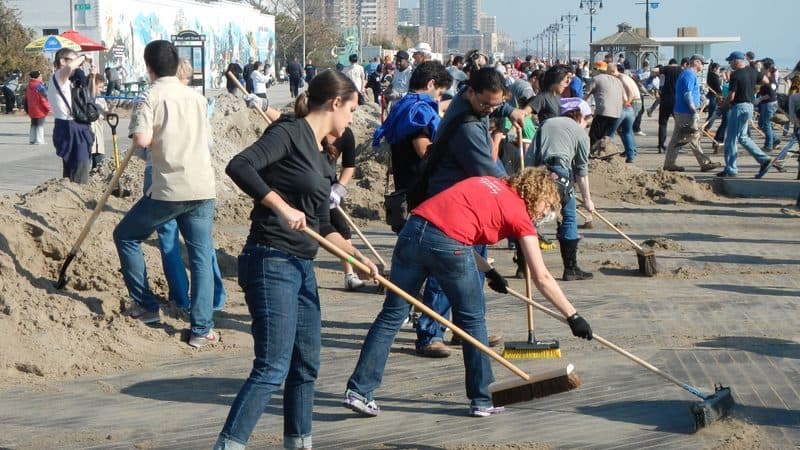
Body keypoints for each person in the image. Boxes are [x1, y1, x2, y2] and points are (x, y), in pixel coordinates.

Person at [343, 167, 594, 418]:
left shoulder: (487, 182)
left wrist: (487, 271)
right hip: (448, 246)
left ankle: (359, 391)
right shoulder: (520, 215)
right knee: (472, 320)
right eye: (550, 205)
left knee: (391, 316)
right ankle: (483, 397)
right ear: (541, 195)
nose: (547, 213)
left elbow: (446, 226)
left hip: (412, 232)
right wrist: (572, 316)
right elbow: (542, 277)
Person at [215, 69, 377, 450]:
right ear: (335, 103)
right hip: (271, 258)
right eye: (351, 110)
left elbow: (322, 224)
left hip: (301, 266)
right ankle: (229, 444)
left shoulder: (323, 157)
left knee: (305, 366)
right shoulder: (288, 133)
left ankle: (299, 442)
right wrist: (281, 206)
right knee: (272, 366)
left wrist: (354, 255)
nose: (352, 119)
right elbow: (240, 166)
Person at [113, 40, 218, 348]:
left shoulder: (150, 96)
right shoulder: (196, 97)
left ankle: (145, 304)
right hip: (202, 186)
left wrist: (138, 133)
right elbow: (207, 143)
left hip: (169, 188)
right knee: (200, 255)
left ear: (149, 67)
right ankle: (202, 328)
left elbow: (143, 140)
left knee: (126, 235)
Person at [413, 67, 512, 358]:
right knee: (448, 272)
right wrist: (517, 189)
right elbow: (488, 172)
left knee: (474, 271)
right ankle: (430, 333)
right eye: (486, 104)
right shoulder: (467, 126)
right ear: (470, 92)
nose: (490, 110)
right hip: (450, 207)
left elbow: (495, 100)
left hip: (471, 205)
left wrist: (510, 111)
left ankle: (468, 329)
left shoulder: (470, 104)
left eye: (495, 105)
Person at [372, 61, 452, 232]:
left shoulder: (403, 105)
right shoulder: (419, 111)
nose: (438, 100)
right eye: (439, 94)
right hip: (420, 189)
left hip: (405, 184)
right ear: (431, 83)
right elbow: (424, 150)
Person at [528, 98, 596, 280]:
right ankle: (571, 269)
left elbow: (530, 156)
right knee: (568, 217)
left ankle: (522, 267)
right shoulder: (580, 134)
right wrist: (588, 200)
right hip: (561, 172)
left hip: (538, 172)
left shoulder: (546, 124)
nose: (587, 125)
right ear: (580, 115)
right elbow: (581, 171)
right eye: (587, 121)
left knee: (528, 218)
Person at [324, 127, 369, 290]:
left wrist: (338, 189)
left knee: (342, 229)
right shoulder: (310, 127)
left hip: (330, 188)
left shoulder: (346, 133)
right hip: (308, 186)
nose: (350, 118)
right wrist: (265, 107)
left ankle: (349, 274)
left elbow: (349, 166)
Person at [718, 51, 775, 177]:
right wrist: (754, 87)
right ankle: (764, 159)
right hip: (750, 106)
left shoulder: (735, 75)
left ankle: (731, 169)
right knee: (743, 138)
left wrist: (722, 106)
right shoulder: (753, 71)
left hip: (738, 107)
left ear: (737, 60)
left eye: (731, 61)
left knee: (731, 140)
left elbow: (731, 96)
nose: (729, 63)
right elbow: (766, 80)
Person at [661, 55, 720, 173]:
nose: (703, 67)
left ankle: (670, 163)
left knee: (680, 138)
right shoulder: (689, 74)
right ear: (696, 62)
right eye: (702, 64)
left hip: (681, 111)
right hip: (686, 112)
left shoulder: (687, 74)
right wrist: (693, 110)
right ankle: (704, 163)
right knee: (693, 136)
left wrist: (701, 100)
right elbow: (687, 94)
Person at [49, 49, 95, 184]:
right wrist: (84, 57)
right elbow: (70, 67)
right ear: (62, 61)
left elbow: (89, 98)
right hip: (69, 127)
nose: (79, 66)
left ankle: (70, 192)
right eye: (75, 61)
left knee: (76, 169)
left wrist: (92, 76)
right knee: (79, 170)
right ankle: (77, 194)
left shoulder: (69, 81)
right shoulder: (57, 77)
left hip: (74, 126)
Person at [584, 61, 624, 148]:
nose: (591, 72)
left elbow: (585, 97)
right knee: (605, 137)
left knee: (594, 136)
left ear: (596, 69)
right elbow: (623, 98)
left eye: (592, 69)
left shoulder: (596, 79)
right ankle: (603, 155)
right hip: (617, 114)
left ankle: (593, 156)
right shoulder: (617, 80)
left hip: (603, 112)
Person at [610, 64, 640, 163]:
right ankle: (630, 151)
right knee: (626, 129)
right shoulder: (623, 77)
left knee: (625, 129)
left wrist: (626, 103)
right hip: (634, 102)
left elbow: (630, 92)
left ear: (613, 72)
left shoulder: (621, 78)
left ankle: (631, 151)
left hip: (633, 102)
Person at [88, 72, 110, 169]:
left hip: (99, 142)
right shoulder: (86, 99)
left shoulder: (101, 99)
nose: (102, 90)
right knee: (86, 168)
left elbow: (106, 115)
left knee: (100, 167)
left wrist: (111, 110)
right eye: (100, 87)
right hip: (88, 143)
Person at [756, 58, 779, 152]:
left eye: (762, 68)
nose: (760, 69)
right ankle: (775, 139)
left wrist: (760, 99)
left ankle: (768, 145)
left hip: (769, 104)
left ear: (767, 69)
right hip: (765, 104)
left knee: (766, 124)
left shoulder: (771, 79)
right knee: (761, 124)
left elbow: (771, 94)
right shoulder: (765, 78)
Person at [25, 71, 50, 145]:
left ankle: (32, 139)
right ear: (38, 77)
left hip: (31, 108)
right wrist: (48, 107)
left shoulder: (29, 86)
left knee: (33, 124)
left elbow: (26, 98)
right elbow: (44, 97)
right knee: (40, 125)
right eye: (40, 76)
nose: (41, 77)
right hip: (39, 109)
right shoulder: (39, 86)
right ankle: (39, 140)